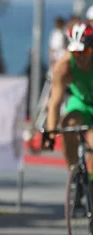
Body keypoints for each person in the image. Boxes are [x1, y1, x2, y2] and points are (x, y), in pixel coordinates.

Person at [44, 22, 93, 175]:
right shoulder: (63, 66)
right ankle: (74, 174)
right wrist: (50, 132)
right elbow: (55, 103)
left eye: (85, 52)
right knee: (67, 124)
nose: (80, 58)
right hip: (81, 102)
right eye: (75, 53)